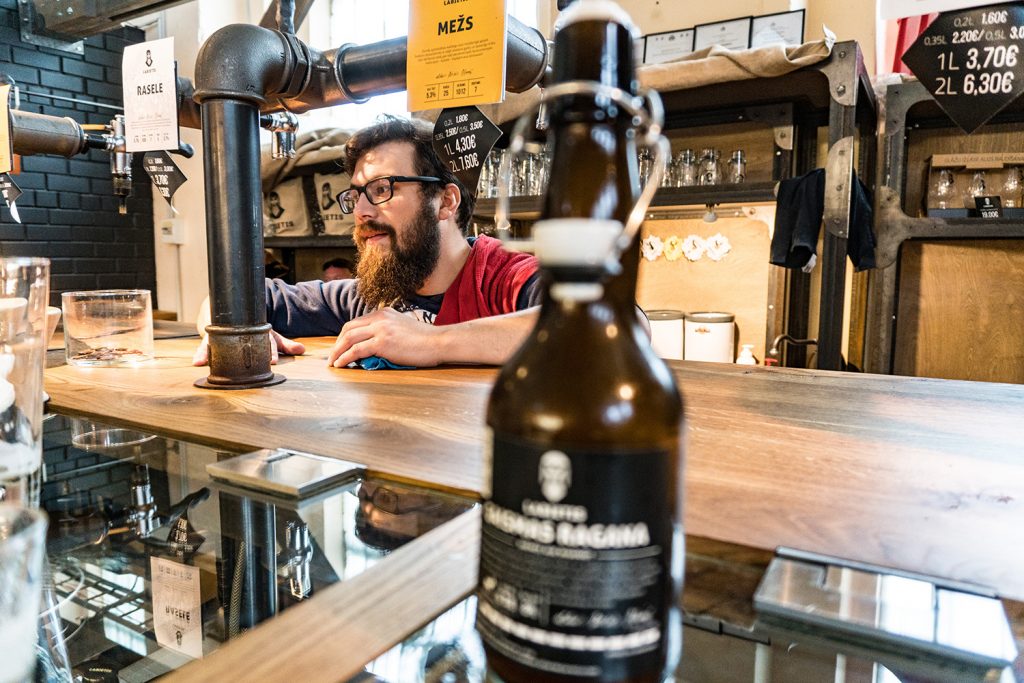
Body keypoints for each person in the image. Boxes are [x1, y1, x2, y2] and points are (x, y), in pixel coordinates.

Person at [195, 115, 541, 369]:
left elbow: (591, 324)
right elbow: (227, 296)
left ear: (446, 202)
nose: (360, 211)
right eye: (356, 195)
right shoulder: (364, 297)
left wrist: (432, 342)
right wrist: (230, 331)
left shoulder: (505, 278)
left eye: (381, 189)